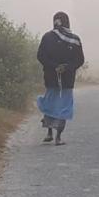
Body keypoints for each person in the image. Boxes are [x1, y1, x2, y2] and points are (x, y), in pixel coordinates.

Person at [37, 11, 85, 146]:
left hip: (51, 78)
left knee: (50, 105)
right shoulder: (75, 39)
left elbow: (40, 56)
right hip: (67, 80)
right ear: (67, 22)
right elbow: (80, 60)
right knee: (63, 107)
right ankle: (58, 137)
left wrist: (53, 67)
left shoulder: (47, 37)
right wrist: (67, 67)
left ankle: (49, 133)